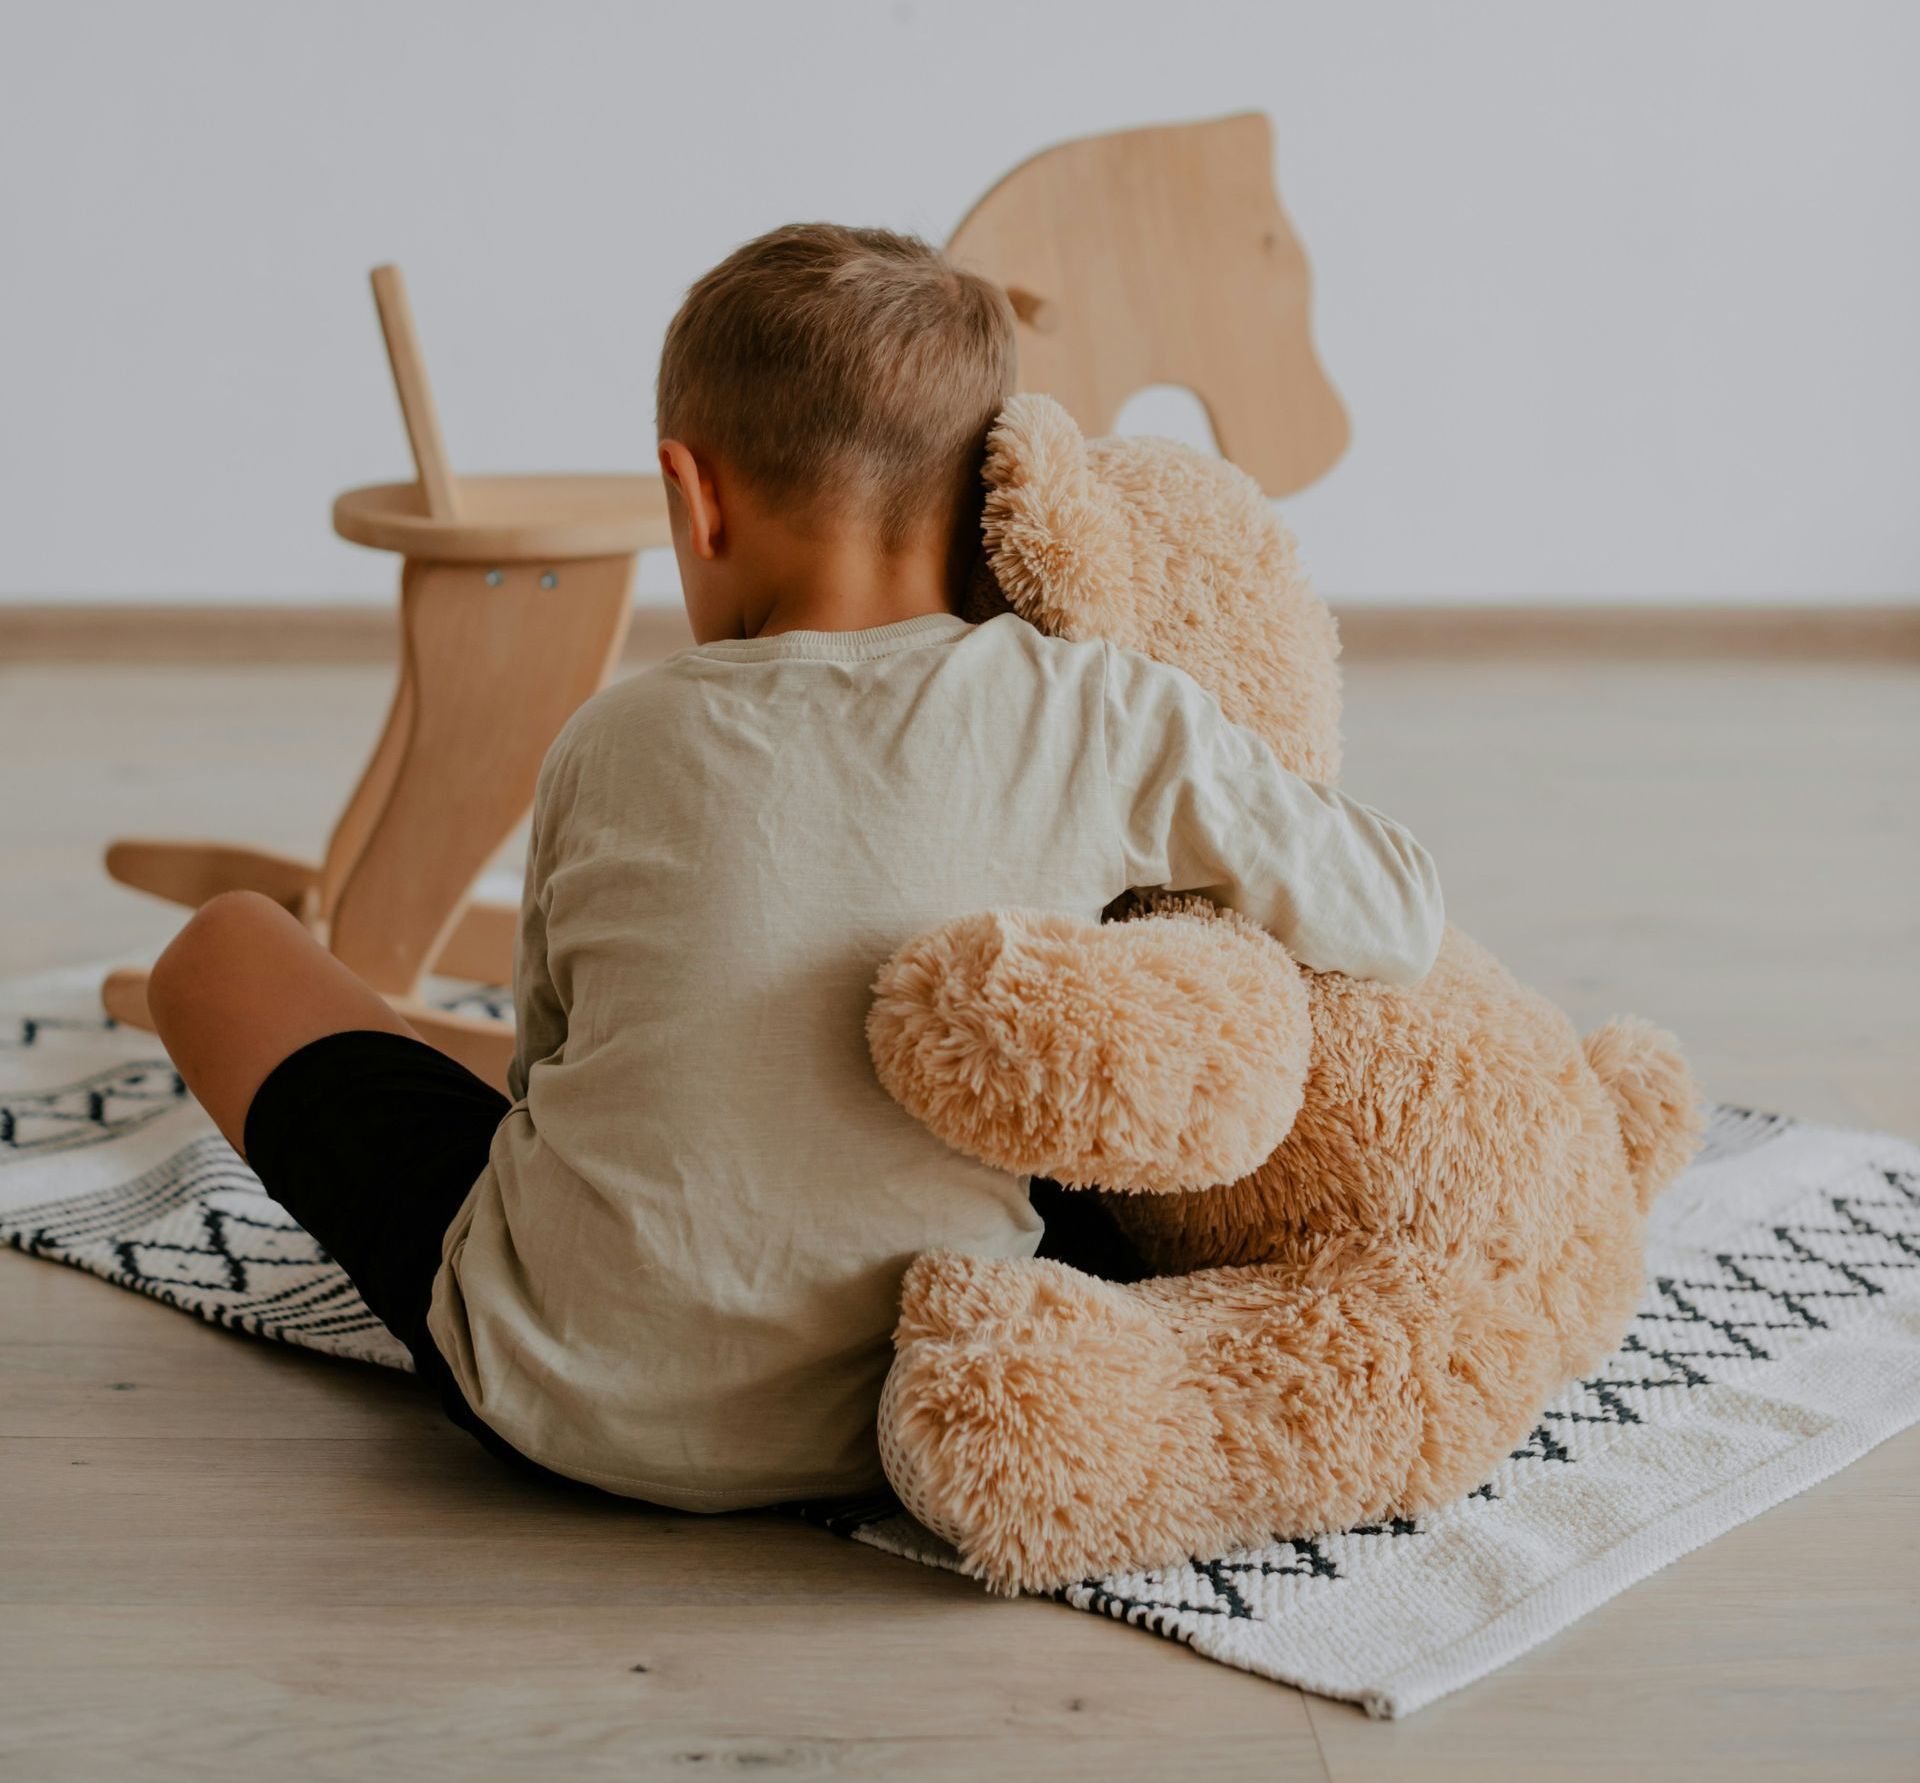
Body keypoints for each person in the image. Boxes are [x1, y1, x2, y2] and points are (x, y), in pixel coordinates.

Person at [146, 223, 1445, 1508]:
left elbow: (546, 1071)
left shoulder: (613, 739)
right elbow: (1397, 910)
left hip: (552, 1397)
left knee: (226, 950)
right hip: (915, 1402)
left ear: (693, 496)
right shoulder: (1105, 709)